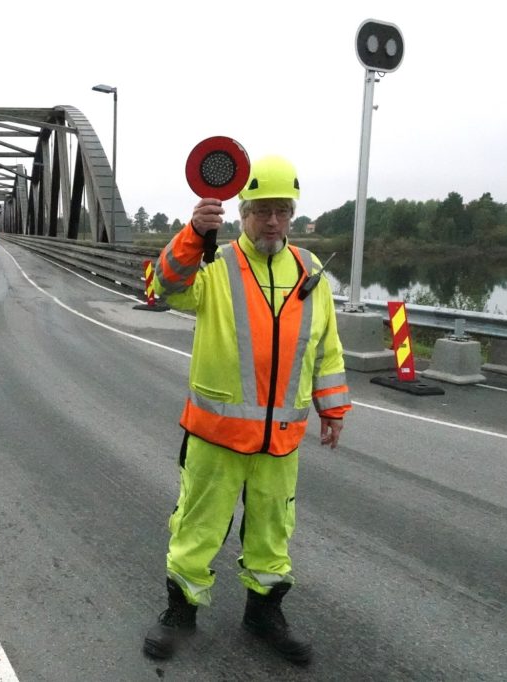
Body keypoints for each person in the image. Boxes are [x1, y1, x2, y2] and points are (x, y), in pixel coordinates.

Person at [142, 155, 351, 665]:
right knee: (197, 527)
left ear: (293, 213)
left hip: (280, 440)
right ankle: (180, 614)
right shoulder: (214, 264)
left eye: (281, 210)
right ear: (243, 212)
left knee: (272, 533)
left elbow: (325, 347)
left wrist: (333, 408)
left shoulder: (310, 272)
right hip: (216, 437)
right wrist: (193, 232)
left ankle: (263, 615)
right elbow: (161, 287)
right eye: (261, 210)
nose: (272, 221)